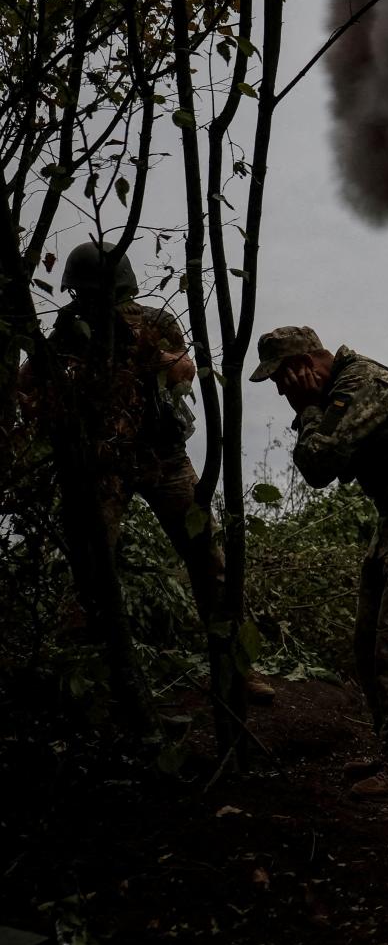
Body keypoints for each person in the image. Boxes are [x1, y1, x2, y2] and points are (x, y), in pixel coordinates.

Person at [38, 241, 274, 707]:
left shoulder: (154, 322)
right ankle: (100, 671)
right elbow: (39, 378)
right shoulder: (70, 328)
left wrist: (138, 352)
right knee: (92, 558)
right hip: (105, 461)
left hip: (163, 457)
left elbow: (183, 371)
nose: (87, 302)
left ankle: (237, 670)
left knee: (209, 562)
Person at [252, 325, 388, 800]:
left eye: (281, 378)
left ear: (303, 364)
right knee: (367, 646)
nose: (282, 390)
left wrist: (307, 409)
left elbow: (318, 464)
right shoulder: (346, 388)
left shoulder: (362, 384)